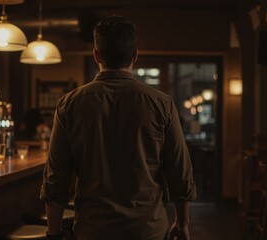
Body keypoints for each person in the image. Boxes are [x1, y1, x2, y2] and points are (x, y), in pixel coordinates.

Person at [40, 15, 197, 240]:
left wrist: (53, 233)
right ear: (135, 56)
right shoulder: (162, 103)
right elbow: (180, 172)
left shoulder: (70, 104)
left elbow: (56, 177)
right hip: (147, 229)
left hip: (93, 229)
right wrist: (182, 224)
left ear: (95, 55)